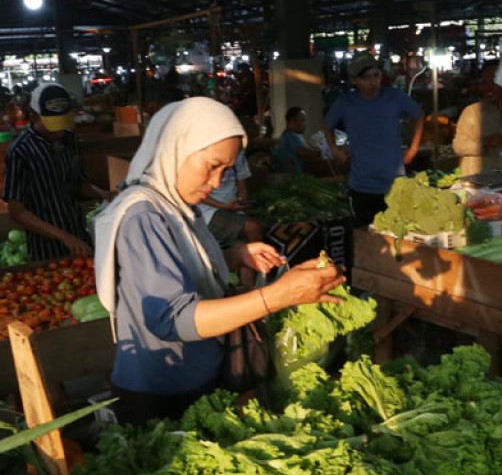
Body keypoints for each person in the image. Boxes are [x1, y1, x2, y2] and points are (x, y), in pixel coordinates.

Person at [92, 97, 344, 425]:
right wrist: (279, 295)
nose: (215, 183)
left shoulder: (176, 206)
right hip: (163, 391)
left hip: (200, 374)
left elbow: (179, 269)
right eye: (212, 166)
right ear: (176, 149)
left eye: (225, 171)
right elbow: (171, 319)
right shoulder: (143, 216)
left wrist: (235, 255)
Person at [1, 83, 113, 260]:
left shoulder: (69, 140)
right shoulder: (20, 152)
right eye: (53, 124)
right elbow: (17, 212)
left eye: (63, 122)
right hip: (45, 247)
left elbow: (77, 184)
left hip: (79, 237)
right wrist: (64, 237)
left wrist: (103, 194)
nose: (60, 130)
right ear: (34, 117)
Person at [323, 51, 424, 225]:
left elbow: (419, 115)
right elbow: (327, 125)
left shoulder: (394, 97)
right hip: (361, 187)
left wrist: (414, 148)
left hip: (395, 186)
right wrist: (334, 149)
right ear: (354, 80)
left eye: (376, 76)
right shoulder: (345, 103)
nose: (372, 82)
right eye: (366, 78)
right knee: (366, 239)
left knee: (399, 237)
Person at [197, 147, 263, 251]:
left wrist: (242, 204)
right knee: (252, 228)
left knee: (242, 246)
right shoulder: (204, 153)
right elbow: (196, 192)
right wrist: (222, 206)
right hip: (208, 211)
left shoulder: (239, 153)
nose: (217, 182)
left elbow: (241, 183)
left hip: (231, 208)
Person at [451, 64, 502, 177]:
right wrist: (487, 141)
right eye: (484, 83)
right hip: (476, 184)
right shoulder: (472, 112)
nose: (487, 88)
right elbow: (459, 146)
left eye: (493, 82)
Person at [273, 106, 323, 174]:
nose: (305, 124)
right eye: (303, 120)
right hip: (296, 174)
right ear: (292, 121)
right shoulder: (291, 136)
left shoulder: (289, 135)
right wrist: (323, 151)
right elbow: (304, 152)